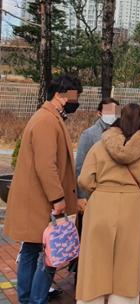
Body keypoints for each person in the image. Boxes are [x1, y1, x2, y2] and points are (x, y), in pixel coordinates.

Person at [5, 74, 82, 304]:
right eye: (74, 97)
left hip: (37, 202)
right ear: (60, 95)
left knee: (32, 252)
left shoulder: (47, 117)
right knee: (50, 257)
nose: (75, 102)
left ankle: (28, 298)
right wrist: (58, 199)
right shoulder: (47, 121)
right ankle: (34, 300)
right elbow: (46, 165)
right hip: (43, 204)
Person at [76, 103, 140, 304]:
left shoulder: (99, 146)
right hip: (132, 207)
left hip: (100, 205)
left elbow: (84, 179)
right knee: (127, 261)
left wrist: (100, 189)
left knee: (95, 260)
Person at [76, 98, 121, 212]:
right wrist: (81, 196)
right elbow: (80, 167)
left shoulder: (123, 133)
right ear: (99, 113)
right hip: (94, 193)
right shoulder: (89, 134)